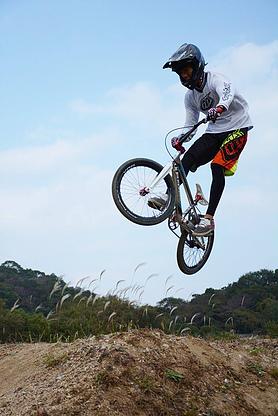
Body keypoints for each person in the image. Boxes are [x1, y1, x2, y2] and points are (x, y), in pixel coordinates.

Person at [148, 43, 253, 236]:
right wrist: (181, 138)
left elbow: (227, 95)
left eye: (186, 70)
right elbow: (190, 124)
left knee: (217, 166)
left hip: (238, 126)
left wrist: (220, 107)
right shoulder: (190, 97)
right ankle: (167, 196)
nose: (184, 76)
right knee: (185, 161)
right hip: (215, 130)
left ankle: (209, 219)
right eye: (180, 73)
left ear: (197, 66)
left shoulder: (216, 80)